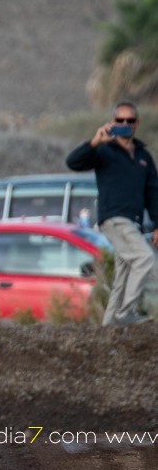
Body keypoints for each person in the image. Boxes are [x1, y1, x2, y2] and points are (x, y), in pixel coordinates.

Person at [66, 100, 158, 326]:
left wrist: (157, 224)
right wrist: (95, 142)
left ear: (137, 123)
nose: (125, 124)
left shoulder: (143, 156)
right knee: (145, 258)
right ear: (112, 122)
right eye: (120, 121)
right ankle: (126, 312)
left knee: (123, 275)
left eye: (129, 120)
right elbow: (73, 162)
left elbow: (153, 193)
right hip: (115, 219)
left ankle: (107, 330)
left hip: (134, 222)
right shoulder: (104, 151)